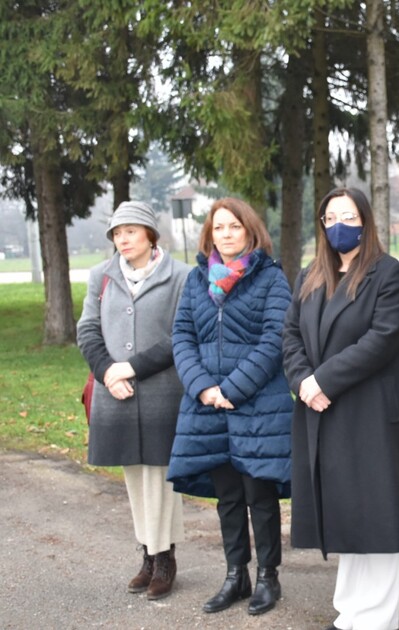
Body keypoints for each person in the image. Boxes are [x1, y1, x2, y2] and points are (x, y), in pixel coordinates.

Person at [283, 187, 399, 630]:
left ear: (365, 220)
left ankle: (375, 620)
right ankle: (350, 614)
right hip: (321, 409)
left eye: (349, 215)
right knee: (348, 513)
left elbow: (381, 339)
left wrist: (323, 380)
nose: (340, 223)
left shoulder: (387, 273)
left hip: (372, 414)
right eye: (330, 216)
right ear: (322, 224)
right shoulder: (310, 275)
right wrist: (304, 381)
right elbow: (290, 337)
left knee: (376, 515)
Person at [166, 197, 293, 616]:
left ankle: (267, 578)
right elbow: (182, 336)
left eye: (234, 227)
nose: (226, 234)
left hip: (256, 405)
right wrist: (203, 387)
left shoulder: (271, 278)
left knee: (259, 493)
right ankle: (235, 575)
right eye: (218, 228)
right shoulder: (197, 280)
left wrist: (233, 389)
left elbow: (276, 339)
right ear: (209, 235)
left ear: (249, 230)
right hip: (207, 406)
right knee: (228, 496)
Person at [77, 201, 190, 600]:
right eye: (116, 233)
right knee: (135, 478)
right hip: (116, 393)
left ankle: (165, 559)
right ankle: (147, 553)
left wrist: (132, 367)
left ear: (149, 234)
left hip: (162, 391)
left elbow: (182, 335)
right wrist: (108, 370)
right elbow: (88, 328)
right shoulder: (101, 276)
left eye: (130, 231)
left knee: (161, 479)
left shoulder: (181, 276)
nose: (122, 239)